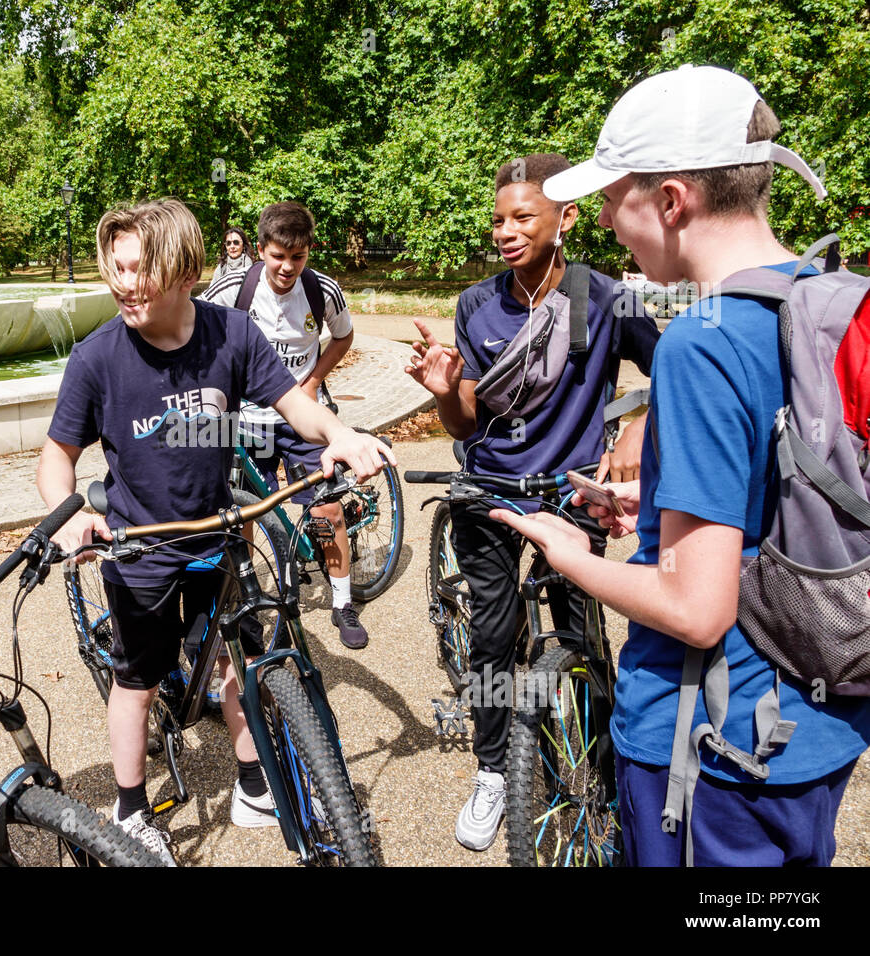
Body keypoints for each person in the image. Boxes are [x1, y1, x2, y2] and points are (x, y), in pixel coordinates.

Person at [494, 65, 870, 865]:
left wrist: (569, 556)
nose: (600, 218)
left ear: (671, 200)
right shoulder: (815, 295)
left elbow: (697, 609)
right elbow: (783, 496)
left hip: (707, 749)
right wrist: (658, 512)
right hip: (816, 725)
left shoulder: (701, 342)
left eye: (611, 196)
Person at [36, 198, 394, 862]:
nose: (121, 283)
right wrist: (72, 514)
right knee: (137, 682)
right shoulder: (98, 357)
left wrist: (342, 434)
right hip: (137, 547)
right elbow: (56, 458)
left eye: (136, 269)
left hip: (220, 536)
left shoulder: (231, 335)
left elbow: (294, 406)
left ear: (182, 269)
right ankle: (132, 809)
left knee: (239, 661)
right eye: (114, 268)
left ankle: (256, 786)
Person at [404, 153, 658, 851]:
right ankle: (492, 769)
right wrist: (443, 389)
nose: (506, 232)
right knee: (491, 632)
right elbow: (464, 424)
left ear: (566, 217)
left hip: (571, 495)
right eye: (498, 220)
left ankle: (599, 761)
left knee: (579, 628)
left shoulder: (605, 298)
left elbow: (668, 368)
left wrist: (638, 423)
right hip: (491, 490)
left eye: (523, 217)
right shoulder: (475, 306)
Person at [203, 201, 371, 648]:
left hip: (301, 418)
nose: (287, 267)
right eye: (278, 256)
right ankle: (244, 604)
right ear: (260, 250)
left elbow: (344, 335)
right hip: (248, 421)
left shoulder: (322, 290)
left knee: (326, 509)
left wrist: (314, 380)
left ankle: (342, 602)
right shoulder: (234, 286)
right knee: (241, 515)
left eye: (297, 257)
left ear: (308, 252)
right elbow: (197, 332)